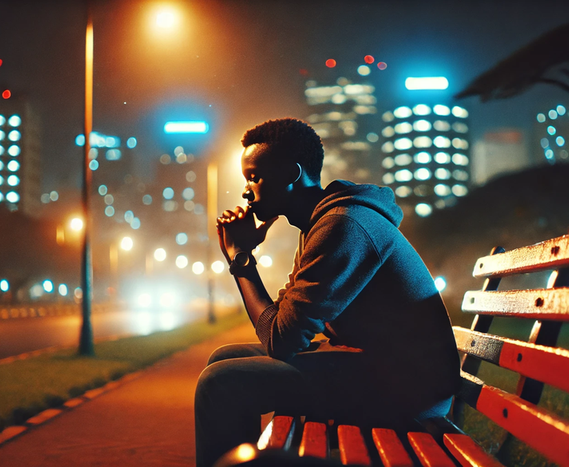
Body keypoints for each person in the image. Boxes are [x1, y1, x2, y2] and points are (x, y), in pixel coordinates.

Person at [195, 118, 460, 467]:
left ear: (291, 173)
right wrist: (244, 259)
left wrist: (242, 262)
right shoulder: (320, 225)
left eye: (254, 176)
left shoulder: (343, 225)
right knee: (223, 358)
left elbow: (282, 339)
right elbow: (286, 322)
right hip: (378, 368)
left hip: (408, 390)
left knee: (221, 382)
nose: (246, 190)